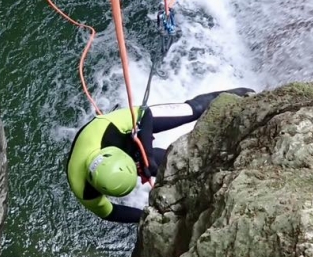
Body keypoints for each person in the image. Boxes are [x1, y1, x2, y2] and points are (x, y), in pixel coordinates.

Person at [66, 88, 254, 223]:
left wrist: (146, 155)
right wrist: (147, 217)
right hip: (127, 150)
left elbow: (145, 114)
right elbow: (111, 213)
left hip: (133, 127)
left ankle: (246, 94)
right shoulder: (84, 190)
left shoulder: (105, 129)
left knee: (192, 110)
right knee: (175, 165)